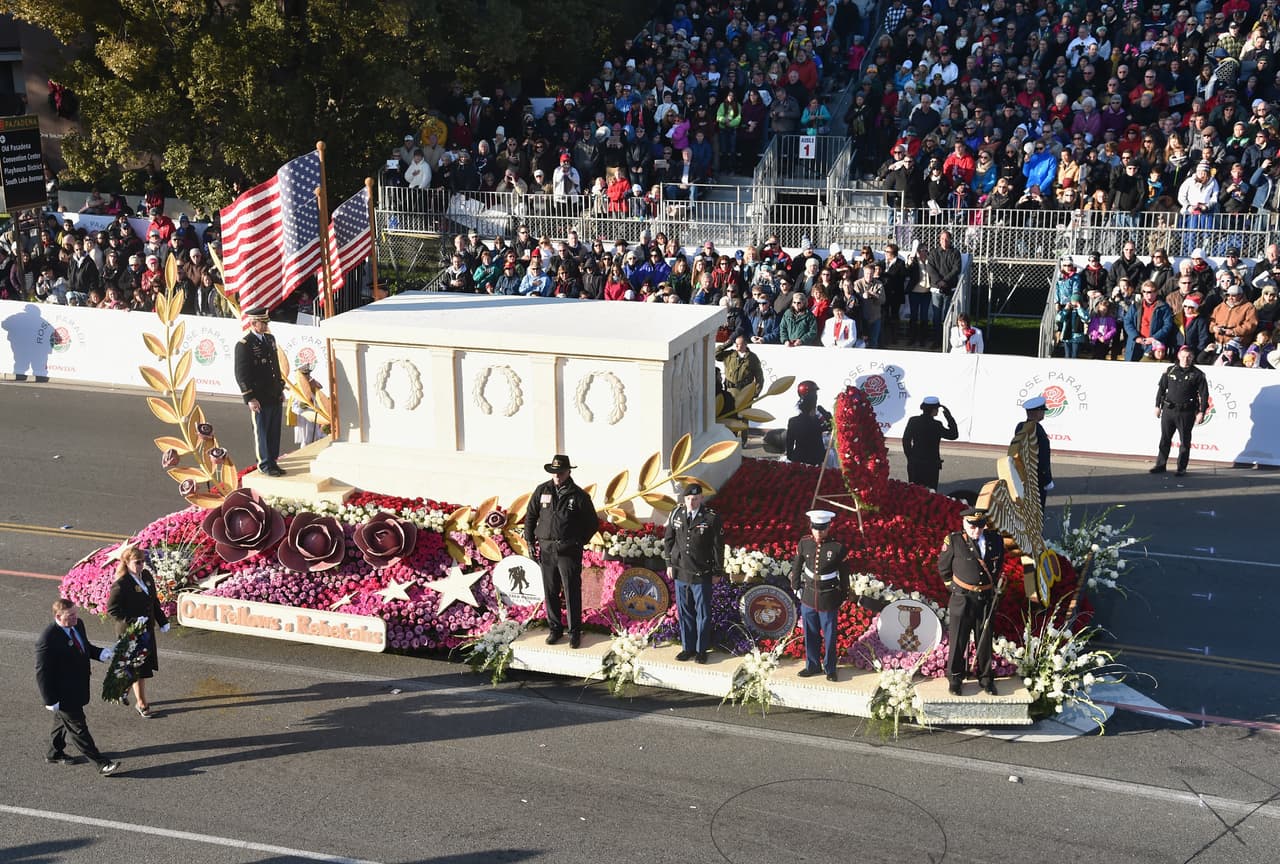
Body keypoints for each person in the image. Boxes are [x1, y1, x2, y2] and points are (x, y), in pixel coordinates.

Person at [35, 598, 121, 775]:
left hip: (77, 686)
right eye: (71, 615)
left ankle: (54, 753)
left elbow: (84, 647)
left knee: (62, 721)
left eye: (76, 613)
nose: (76, 617)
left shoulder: (77, 624)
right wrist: (49, 700)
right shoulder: (47, 639)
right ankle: (101, 764)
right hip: (62, 692)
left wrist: (101, 653)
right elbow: (42, 672)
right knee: (78, 728)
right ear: (58, 616)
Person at [524, 454, 597, 649]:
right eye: (554, 472)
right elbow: (530, 516)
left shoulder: (579, 495)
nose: (557, 475)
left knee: (571, 591)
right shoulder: (542, 490)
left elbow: (592, 523)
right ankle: (555, 629)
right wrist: (530, 541)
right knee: (550, 590)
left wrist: (579, 541)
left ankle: (574, 632)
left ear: (568, 472)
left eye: (561, 472)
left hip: (568, 551)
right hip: (547, 549)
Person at [938, 508, 1006, 696]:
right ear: (964, 523)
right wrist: (955, 589)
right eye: (972, 526)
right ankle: (955, 678)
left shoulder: (995, 540)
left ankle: (986, 678)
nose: (976, 530)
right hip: (963, 598)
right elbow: (943, 568)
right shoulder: (954, 541)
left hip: (985, 598)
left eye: (980, 526)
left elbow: (999, 564)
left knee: (984, 640)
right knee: (958, 640)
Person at [663, 482, 724, 665]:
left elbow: (718, 547)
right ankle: (687, 648)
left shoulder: (710, 518)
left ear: (701, 498)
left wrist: (717, 571)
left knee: (702, 614)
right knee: (685, 612)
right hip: (681, 572)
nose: (691, 502)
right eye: (689, 499)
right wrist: (669, 564)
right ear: (684, 499)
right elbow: (669, 540)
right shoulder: (676, 513)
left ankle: (701, 650)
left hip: (701, 573)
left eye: (695, 499)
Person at [105, 546, 170, 717]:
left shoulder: (146, 576)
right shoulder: (122, 584)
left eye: (142, 562)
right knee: (138, 667)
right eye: (137, 562)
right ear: (126, 562)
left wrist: (162, 620)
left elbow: (153, 601)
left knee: (142, 665)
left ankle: (123, 687)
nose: (141, 565)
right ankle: (141, 703)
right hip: (131, 632)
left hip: (147, 629)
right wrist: (133, 621)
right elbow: (112, 609)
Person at [790, 510, 849, 681]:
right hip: (809, 595)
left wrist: (844, 594)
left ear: (829, 527)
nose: (818, 532)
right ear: (811, 527)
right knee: (810, 633)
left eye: (822, 529)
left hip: (828, 597)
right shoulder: (804, 543)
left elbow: (844, 574)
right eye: (816, 528)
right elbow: (797, 566)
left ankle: (830, 668)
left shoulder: (837, 547)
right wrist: (795, 586)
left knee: (829, 635)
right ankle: (812, 665)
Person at [234, 307, 286, 476]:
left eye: (266, 323)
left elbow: (275, 366)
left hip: (273, 393)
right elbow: (241, 374)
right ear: (253, 323)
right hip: (259, 396)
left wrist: (280, 387)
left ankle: (273, 461)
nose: (265, 326)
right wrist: (249, 397)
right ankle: (264, 464)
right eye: (262, 323)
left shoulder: (270, 339)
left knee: (274, 431)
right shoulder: (244, 345)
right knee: (262, 432)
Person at [1151, 345, 1209, 477]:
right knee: (1165, 439)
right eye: (1183, 356)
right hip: (1169, 410)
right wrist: (1157, 406)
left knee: (1185, 441)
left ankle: (1181, 468)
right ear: (1178, 356)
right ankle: (1160, 465)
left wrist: (1201, 412)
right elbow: (1161, 390)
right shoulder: (1170, 370)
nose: (1185, 359)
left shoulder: (1198, 374)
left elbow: (1204, 395)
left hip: (1186, 412)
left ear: (1192, 357)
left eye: (1188, 357)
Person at [902, 397, 959, 491]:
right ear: (933, 410)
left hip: (915, 463)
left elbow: (906, 440)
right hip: (931, 465)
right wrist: (949, 417)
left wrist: (910, 457)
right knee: (930, 493)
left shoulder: (913, 421)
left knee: (914, 492)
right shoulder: (937, 425)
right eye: (937, 409)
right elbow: (953, 435)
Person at [1021, 395, 1053, 509]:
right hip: (1036, 478)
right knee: (1037, 510)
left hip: (1022, 475)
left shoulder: (1021, 427)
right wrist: (1047, 479)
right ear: (1037, 412)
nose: (1043, 413)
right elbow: (1043, 457)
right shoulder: (1037, 430)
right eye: (1042, 411)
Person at [786, 380, 827, 466]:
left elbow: (789, 448)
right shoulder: (818, 421)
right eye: (814, 394)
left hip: (800, 461)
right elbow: (830, 427)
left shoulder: (794, 421)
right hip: (815, 462)